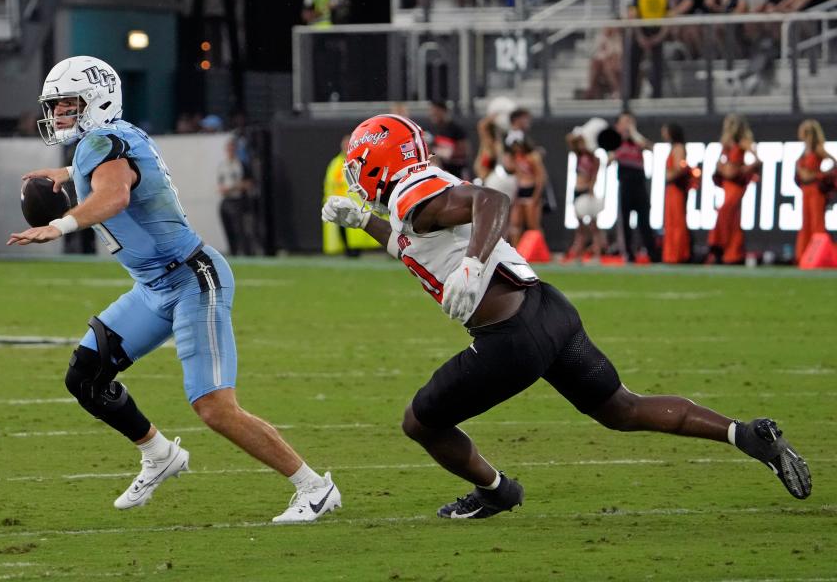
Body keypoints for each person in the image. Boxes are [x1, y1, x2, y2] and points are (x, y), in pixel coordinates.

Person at [320, 113, 810, 518]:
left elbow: (492, 201)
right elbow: (419, 245)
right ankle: (744, 434)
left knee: (419, 423)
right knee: (622, 408)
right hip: (549, 310)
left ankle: (496, 491)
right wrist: (365, 223)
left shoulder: (411, 196)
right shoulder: (420, 193)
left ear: (379, 165)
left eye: (360, 164)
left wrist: (472, 264)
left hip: (509, 339)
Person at [6, 56, 340, 522]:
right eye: (57, 105)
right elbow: (115, 174)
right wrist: (65, 176)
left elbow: (116, 194)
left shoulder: (102, 142)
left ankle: (315, 487)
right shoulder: (110, 138)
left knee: (214, 406)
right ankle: (160, 454)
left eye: (68, 103)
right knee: (85, 375)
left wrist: (60, 224)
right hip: (154, 285)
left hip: (190, 279)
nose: (59, 114)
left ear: (96, 100)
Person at [708, 113, 761, 265]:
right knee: (732, 217)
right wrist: (723, 168)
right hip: (727, 182)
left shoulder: (743, 142)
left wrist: (744, 169)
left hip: (737, 184)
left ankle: (720, 246)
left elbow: (757, 159)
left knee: (726, 211)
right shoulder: (726, 143)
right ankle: (730, 253)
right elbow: (720, 161)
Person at [608, 112, 661, 262]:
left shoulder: (636, 141)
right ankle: (628, 254)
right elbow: (609, 158)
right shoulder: (616, 142)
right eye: (624, 122)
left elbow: (650, 147)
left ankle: (652, 254)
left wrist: (633, 132)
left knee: (644, 220)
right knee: (625, 221)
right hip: (625, 184)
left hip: (639, 184)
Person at [795, 119, 834, 261]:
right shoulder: (804, 150)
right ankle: (805, 255)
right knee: (806, 222)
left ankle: (819, 255)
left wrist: (820, 175)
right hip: (805, 190)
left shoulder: (818, 148)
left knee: (817, 222)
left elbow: (834, 162)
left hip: (816, 190)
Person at [565, 129, 605, 261]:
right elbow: (569, 139)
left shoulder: (594, 158)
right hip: (576, 191)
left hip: (587, 192)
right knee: (580, 227)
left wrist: (591, 190)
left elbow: (595, 176)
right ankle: (578, 255)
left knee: (594, 226)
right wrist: (581, 133)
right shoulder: (577, 155)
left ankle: (597, 254)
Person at [628, 0, 668, 99]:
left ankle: (632, 95)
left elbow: (634, 15)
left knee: (634, 64)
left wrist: (640, 37)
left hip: (642, 30)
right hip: (656, 30)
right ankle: (657, 95)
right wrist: (659, 37)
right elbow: (669, 17)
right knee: (657, 66)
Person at [662, 124, 695, 264]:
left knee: (677, 221)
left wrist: (668, 176)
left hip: (675, 189)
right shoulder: (674, 148)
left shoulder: (678, 148)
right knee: (671, 221)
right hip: (672, 190)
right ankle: (672, 253)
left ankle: (678, 253)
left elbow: (679, 168)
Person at [506, 140, 546, 248]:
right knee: (515, 224)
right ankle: (515, 251)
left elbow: (540, 177)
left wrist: (535, 197)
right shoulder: (516, 157)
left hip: (531, 191)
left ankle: (539, 250)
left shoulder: (532, 157)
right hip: (520, 192)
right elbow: (511, 170)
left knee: (533, 225)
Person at [217, 137, 251, 256]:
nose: (230, 150)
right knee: (228, 228)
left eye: (232, 148)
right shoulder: (222, 165)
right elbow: (220, 184)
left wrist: (232, 188)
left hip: (238, 200)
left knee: (240, 229)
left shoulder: (241, 164)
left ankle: (246, 252)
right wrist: (223, 189)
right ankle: (233, 251)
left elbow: (248, 183)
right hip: (226, 199)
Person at [428, 100, 470, 180]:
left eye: (435, 112)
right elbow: (433, 153)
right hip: (443, 174)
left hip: (457, 174)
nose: (432, 115)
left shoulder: (456, 129)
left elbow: (464, 152)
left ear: (443, 111)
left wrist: (442, 153)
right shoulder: (437, 130)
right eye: (431, 113)